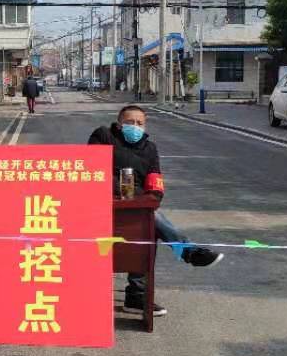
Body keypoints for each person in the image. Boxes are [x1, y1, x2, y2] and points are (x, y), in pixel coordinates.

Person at [88, 104, 222, 319]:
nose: (135, 126)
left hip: (137, 205)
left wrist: (151, 199)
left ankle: (137, 296)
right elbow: (92, 167)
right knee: (151, 220)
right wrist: (118, 190)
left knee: (147, 224)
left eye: (139, 123)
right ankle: (187, 252)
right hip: (103, 202)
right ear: (119, 123)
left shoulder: (149, 148)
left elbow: (155, 180)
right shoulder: (104, 136)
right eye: (130, 122)